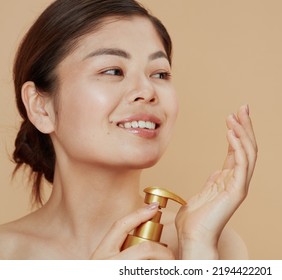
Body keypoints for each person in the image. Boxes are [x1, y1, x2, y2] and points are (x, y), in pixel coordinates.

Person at [0, 0, 257, 260]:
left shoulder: (212, 241)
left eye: (159, 74)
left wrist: (196, 251)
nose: (147, 91)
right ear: (41, 107)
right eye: (113, 71)